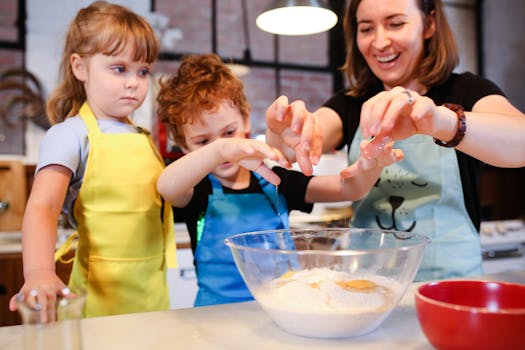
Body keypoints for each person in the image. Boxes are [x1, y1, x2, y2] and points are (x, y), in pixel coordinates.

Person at [265, 0, 525, 281]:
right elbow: (296, 146)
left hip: (452, 287)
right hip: (367, 285)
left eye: (396, 24)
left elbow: (520, 143)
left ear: (429, 24)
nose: (379, 42)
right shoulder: (349, 104)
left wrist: (441, 122)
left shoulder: (467, 91)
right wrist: (283, 133)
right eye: (366, 28)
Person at [155, 53, 403, 307]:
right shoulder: (196, 189)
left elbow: (350, 188)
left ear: (246, 120)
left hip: (281, 306)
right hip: (213, 313)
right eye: (203, 141)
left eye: (229, 133)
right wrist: (220, 149)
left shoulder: (274, 181)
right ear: (183, 145)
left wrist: (372, 166)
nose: (224, 147)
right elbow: (167, 186)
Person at [9, 1, 176, 319]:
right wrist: (39, 272)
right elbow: (43, 207)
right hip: (97, 298)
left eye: (143, 71)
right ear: (80, 67)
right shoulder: (69, 135)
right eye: (119, 68)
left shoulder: (143, 136)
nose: (134, 82)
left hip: (153, 293)